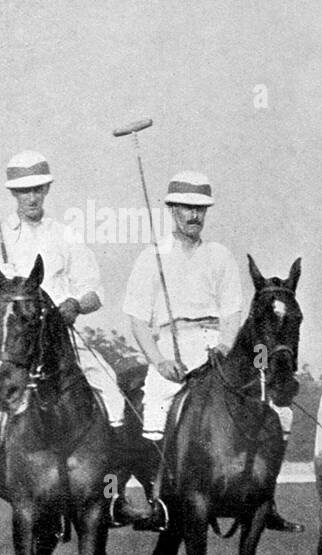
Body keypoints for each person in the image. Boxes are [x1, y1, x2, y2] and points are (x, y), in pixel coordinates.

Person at [124, 171, 301, 532]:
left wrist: (223, 345)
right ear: (172, 209)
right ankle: (160, 498)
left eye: (201, 209)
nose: (194, 216)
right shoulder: (151, 257)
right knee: (157, 406)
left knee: (277, 410)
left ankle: (267, 499)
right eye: (187, 209)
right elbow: (138, 322)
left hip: (217, 346)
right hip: (170, 345)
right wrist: (158, 361)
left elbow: (232, 312)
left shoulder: (219, 256)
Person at [0, 151, 128, 530]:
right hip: (13, 346)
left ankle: (112, 494)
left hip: (61, 341)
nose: (31, 198)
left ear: (47, 189)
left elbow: (95, 292)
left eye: (37, 190)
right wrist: (0, 297)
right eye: (23, 192)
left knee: (114, 395)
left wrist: (73, 303)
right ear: (13, 195)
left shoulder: (65, 235)